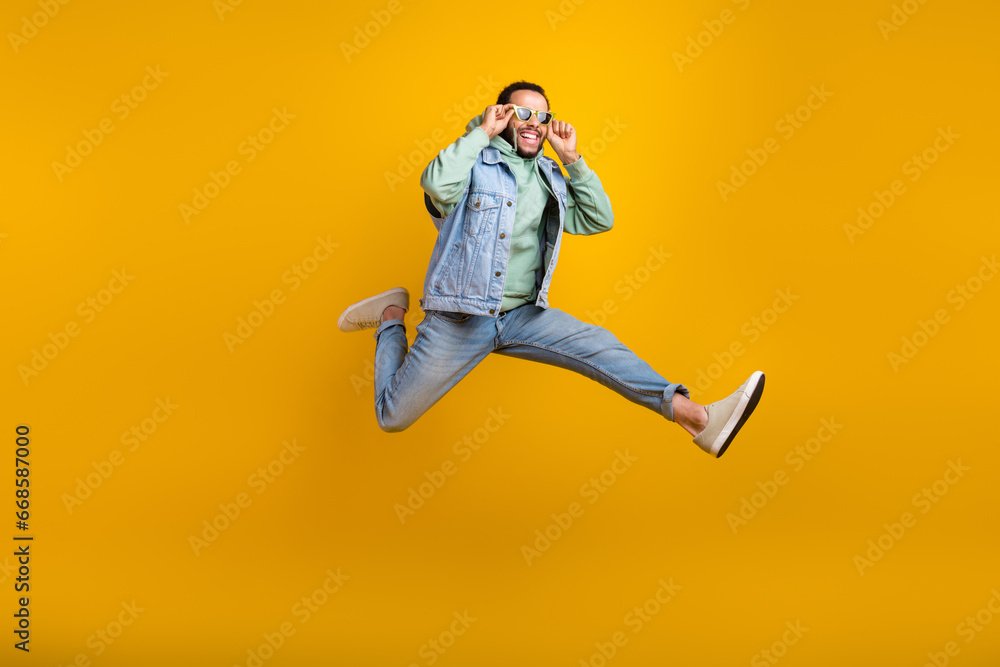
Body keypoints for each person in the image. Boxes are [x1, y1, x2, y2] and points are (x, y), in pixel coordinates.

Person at [338, 80, 764, 457]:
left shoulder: (549, 176)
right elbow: (435, 185)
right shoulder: (472, 167)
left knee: (601, 347)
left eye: (542, 116)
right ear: (502, 116)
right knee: (392, 416)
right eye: (521, 112)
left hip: (523, 315)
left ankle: (699, 420)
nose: (533, 122)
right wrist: (480, 132)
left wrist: (573, 159)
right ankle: (392, 315)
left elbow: (599, 219)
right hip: (462, 316)